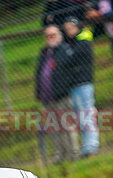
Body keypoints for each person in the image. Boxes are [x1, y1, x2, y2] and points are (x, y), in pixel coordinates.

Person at [35, 26, 79, 164]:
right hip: (47, 98)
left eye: (53, 35)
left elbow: (71, 71)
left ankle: (73, 153)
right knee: (53, 127)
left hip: (62, 95)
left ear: (59, 36)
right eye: (48, 36)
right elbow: (38, 73)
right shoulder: (44, 53)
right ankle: (60, 154)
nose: (51, 38)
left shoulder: (64, 50)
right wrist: (38, 92)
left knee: (67, 125)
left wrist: (66, 88)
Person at [63, 17, 99, 158]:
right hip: (75, 84)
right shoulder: (71, 43)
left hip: (83, 83)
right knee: (82, 118)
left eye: (71, 27)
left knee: (87, 116)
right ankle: (87, 147)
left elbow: (71, 60)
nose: (68, 31)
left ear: (77, 27)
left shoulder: (82, 42)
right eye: (66, 29)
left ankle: (91, 147)